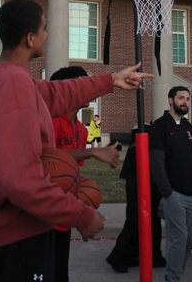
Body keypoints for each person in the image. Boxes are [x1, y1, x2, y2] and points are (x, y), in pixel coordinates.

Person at [0, 0, 150, 282]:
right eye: (44, 28)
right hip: (15, 239)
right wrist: (80, 215)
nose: (47, 34)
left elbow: (54, 94)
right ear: (30, 38)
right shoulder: (13, 84)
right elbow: (19, 178)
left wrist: (111, 80)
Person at [48, 66, 120, 282]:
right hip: (41, 217)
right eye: (84, 85)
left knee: (61, 274)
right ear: (68, 89)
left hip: (62, 216)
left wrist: (82, 209)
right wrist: (93, 151)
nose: (90, 90)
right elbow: (47, 158)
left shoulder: (81, 128)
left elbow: (70, 174)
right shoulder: (50, 120)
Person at [148, 86, 192, 282]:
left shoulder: (188, 128)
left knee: (188, 242)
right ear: (171, 100)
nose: (185, 102)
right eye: (181, 98)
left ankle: (176, 274)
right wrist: (168, 192)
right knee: (177, 240)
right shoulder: (160, 126)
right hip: (175, 196)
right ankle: (172, 278)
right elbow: (156, 161)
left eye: (187, 98)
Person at [107, 127, 165, 273]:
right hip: (140, 192)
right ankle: (119, 256)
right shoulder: (136, 153)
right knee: (135, 222)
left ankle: (152, 255)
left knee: (152, 223)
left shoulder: (144, 152)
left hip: (151, 189)